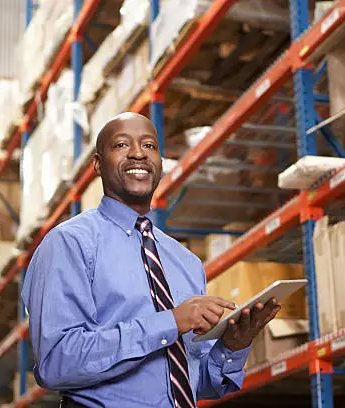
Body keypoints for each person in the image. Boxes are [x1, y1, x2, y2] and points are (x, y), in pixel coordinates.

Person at [22, 112, 281, 408]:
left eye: (149, 146)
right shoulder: (70, 243)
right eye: (121, 145)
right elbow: (57, 363)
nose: (137, 154)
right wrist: (171, 322)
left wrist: (234, 346)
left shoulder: (186, 262)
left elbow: (195, 383)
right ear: (97, 164)